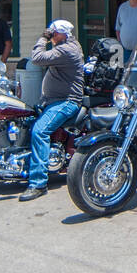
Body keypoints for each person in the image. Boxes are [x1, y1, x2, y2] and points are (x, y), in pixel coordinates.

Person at [19, 19, 85, 201]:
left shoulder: (67, 49)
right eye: (51, 33)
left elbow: (37, 58)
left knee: (39, 131)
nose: (52, 36)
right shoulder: (65, 46)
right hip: (53, 101)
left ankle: (38, 183)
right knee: (25, 121)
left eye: (54, 33)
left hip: (66, 102)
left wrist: (42, 38)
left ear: (63, 34)